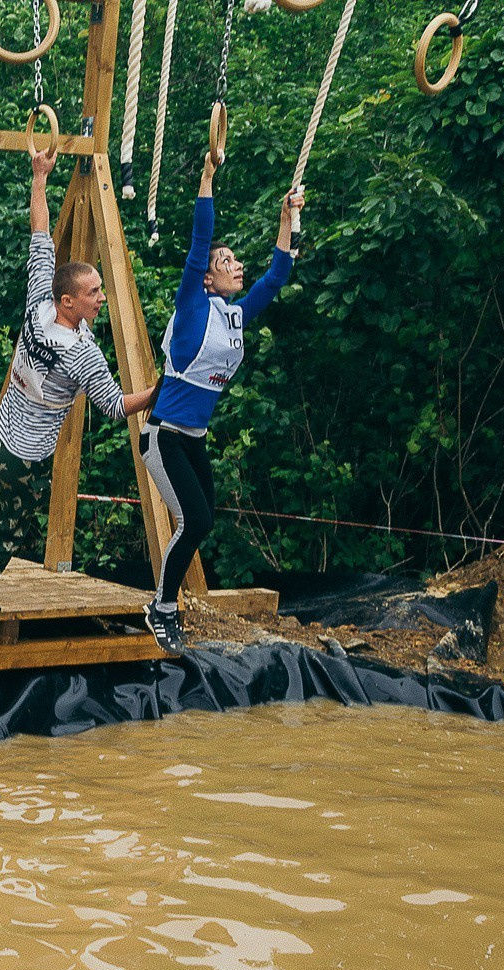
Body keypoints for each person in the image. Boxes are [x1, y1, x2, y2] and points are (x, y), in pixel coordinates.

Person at [0, 149, 157, 614]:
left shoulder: (39, 301)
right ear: (69, 301)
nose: (101, 298)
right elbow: (117, 406)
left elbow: (40, 234)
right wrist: (162, 392)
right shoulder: (82, 353)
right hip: (26, 456)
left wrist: (39, 176)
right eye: (93, 292)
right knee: (10, 528)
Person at [142, 160, 302, 655]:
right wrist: (207, 177)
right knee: (196, 521)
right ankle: (162, 607)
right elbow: (198, 246)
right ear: (208, 279)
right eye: (226, 261)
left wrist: (288, 218)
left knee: (204, 520)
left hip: (193, 439)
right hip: (164, 434)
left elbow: (277, 276)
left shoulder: (235, 315)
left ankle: (166, 603)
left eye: (235, 259)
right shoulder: (192, 305)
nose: (236, 265)